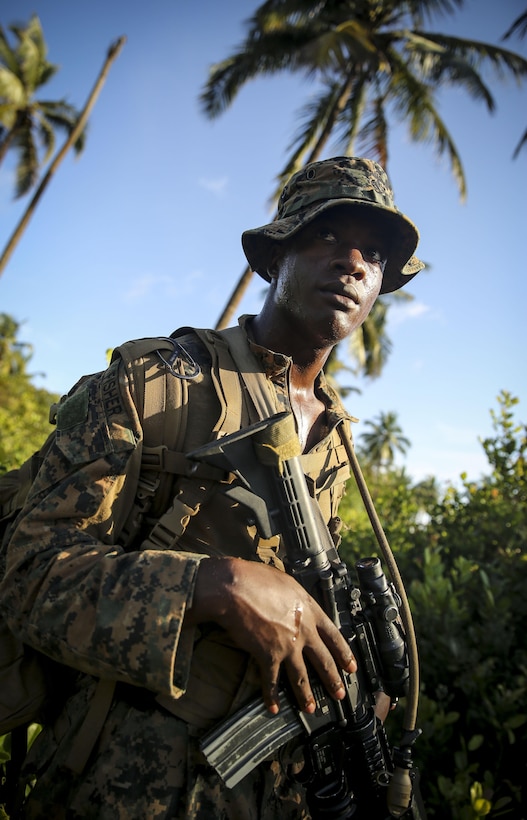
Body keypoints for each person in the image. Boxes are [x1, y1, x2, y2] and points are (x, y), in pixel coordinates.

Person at [0, 156, 424, 819]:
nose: (352, 263)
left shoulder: (337, 442)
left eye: (372, 254)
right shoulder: (156, 386)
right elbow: (28, 576)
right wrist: (212, 586)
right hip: (122, 788)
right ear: (274, 256)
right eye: (326, 237)